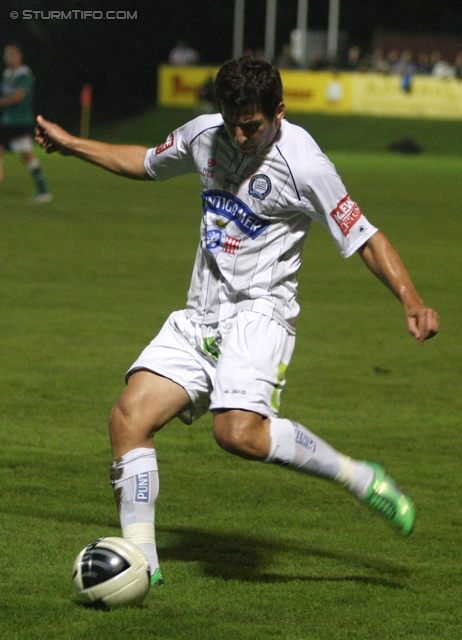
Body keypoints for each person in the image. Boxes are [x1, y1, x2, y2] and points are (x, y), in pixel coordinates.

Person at [35, 56, 439, 588]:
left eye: (251, 124)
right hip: (201, 311)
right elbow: (146, 160)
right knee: (128, 418)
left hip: (260, 314)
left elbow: (364, 236)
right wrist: (73, 145)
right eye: (232, 121)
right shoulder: (206, 135)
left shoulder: (306, 165)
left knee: (237, 433)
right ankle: (144, 568)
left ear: (279, 111)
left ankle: (360, 477)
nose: (240, 134)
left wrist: (409, 298)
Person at [0, 43, 52, 202]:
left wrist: (1, 102)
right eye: (6, 54)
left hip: (20, 122)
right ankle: (43, 191)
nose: (8, 57)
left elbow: (20, 96)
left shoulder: (25, 75)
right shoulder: (7, 74)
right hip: (7, 122)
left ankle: (44, 191)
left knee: (27, 156)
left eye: (12, 54)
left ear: (19, 56)